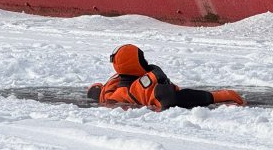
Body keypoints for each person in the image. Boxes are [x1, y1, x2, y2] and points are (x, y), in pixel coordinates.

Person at [86, 44, 244, 111]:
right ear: (134, 63)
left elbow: (97, 91)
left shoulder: (114, 85)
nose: (146, 62)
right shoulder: (140, 88)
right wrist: (218, 96)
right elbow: (174, 98)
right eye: (142, 59)